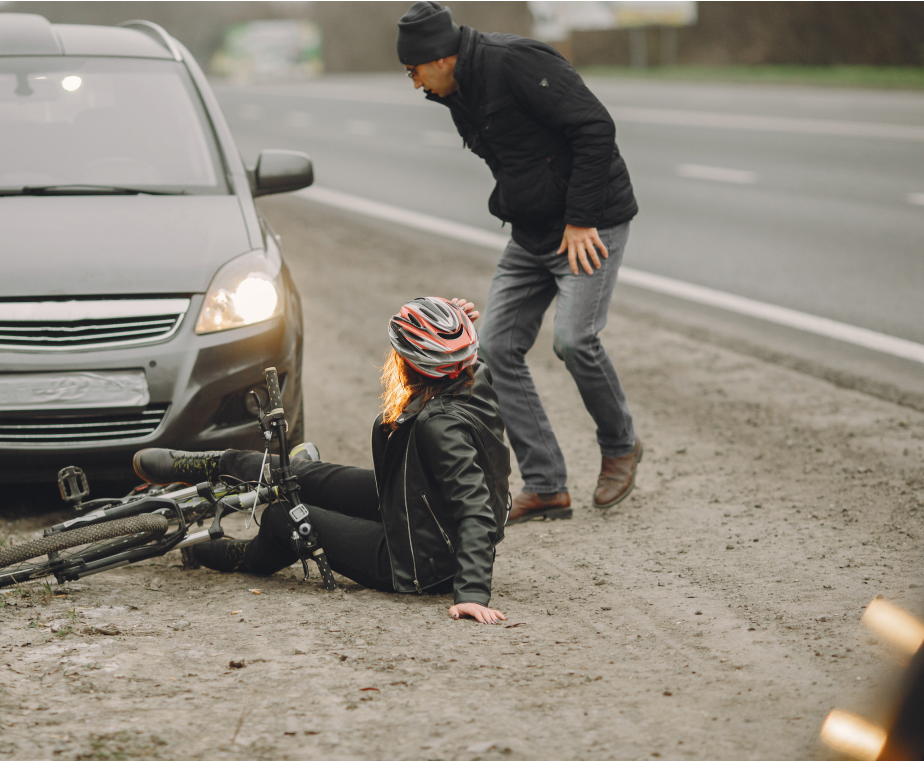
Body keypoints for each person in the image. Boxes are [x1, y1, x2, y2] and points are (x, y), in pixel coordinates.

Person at [396, 2, 642, 521]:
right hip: (532, 234)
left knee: (575, 340)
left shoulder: (515, 62)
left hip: (587, 226)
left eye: (413, 70)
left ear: (439, 58)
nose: (413, 83)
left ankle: (620, 445)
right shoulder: (457, 91)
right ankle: (547, 483)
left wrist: (580, 217)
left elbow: (595, 127)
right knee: (494, 348)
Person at [132, 297, 512, 624]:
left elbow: (476, 507)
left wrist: (473, 594)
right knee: (298, 473)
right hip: (413, 506)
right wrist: (448, 328)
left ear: (410, 363)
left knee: (286, 516)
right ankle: (213, 463)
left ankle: (236, 554)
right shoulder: (473, 376)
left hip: (416, 560)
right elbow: (454, 356)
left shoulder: (440, 426)